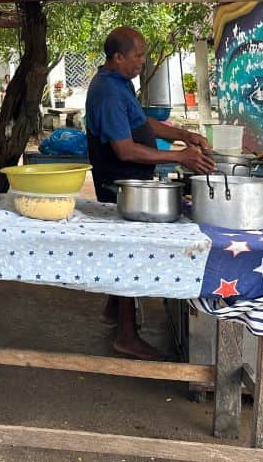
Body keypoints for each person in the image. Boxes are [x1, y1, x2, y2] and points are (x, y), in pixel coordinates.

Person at [86, 26, 216, 360]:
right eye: (138, 55)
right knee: (128, 252)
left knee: (124, 248)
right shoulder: (109, 92)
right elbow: (126, 149)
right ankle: (126, 336)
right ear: (118, 57)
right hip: (120, 181)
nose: (143, 61)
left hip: (130, 179)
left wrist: (182, 135)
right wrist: (178, 156)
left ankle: (114, 310)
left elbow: (141, 123)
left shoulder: (120, 83)